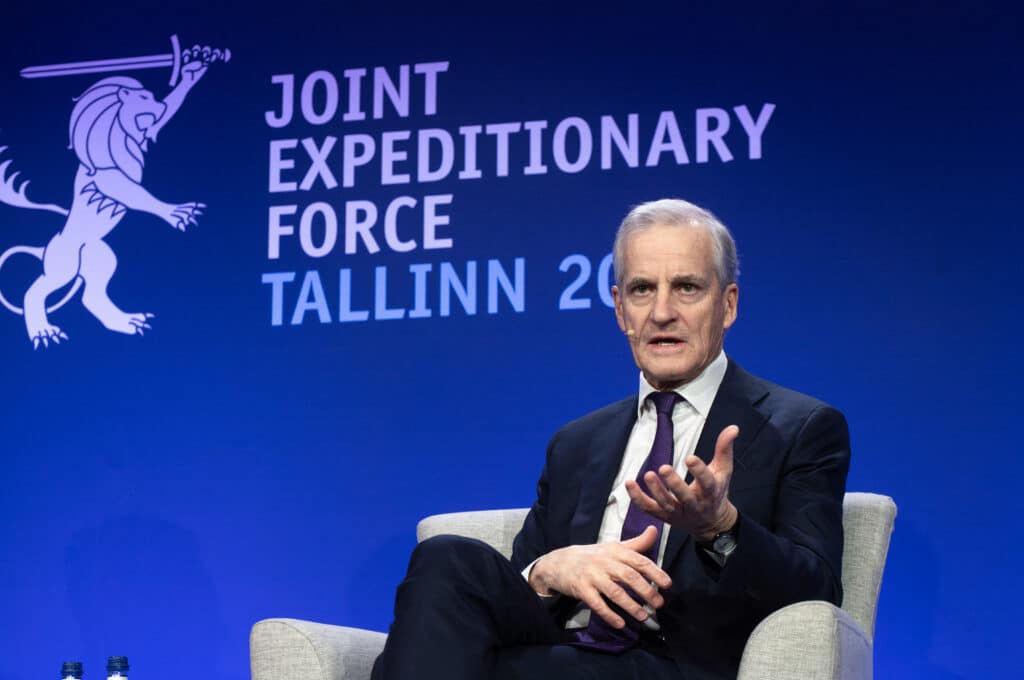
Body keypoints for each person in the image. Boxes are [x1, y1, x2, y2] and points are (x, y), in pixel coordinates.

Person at [371, 199, 850, 680]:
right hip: (555, 650)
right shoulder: (577, 442)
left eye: (686, 287)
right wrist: (548, 571)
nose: (662, 312)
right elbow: (510, 593)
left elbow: (817, 593)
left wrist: (720, 527)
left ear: (727, 305)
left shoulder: (799, 426)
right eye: (643, 290)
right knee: (447, 556)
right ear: (621, 309)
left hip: (673, 663)